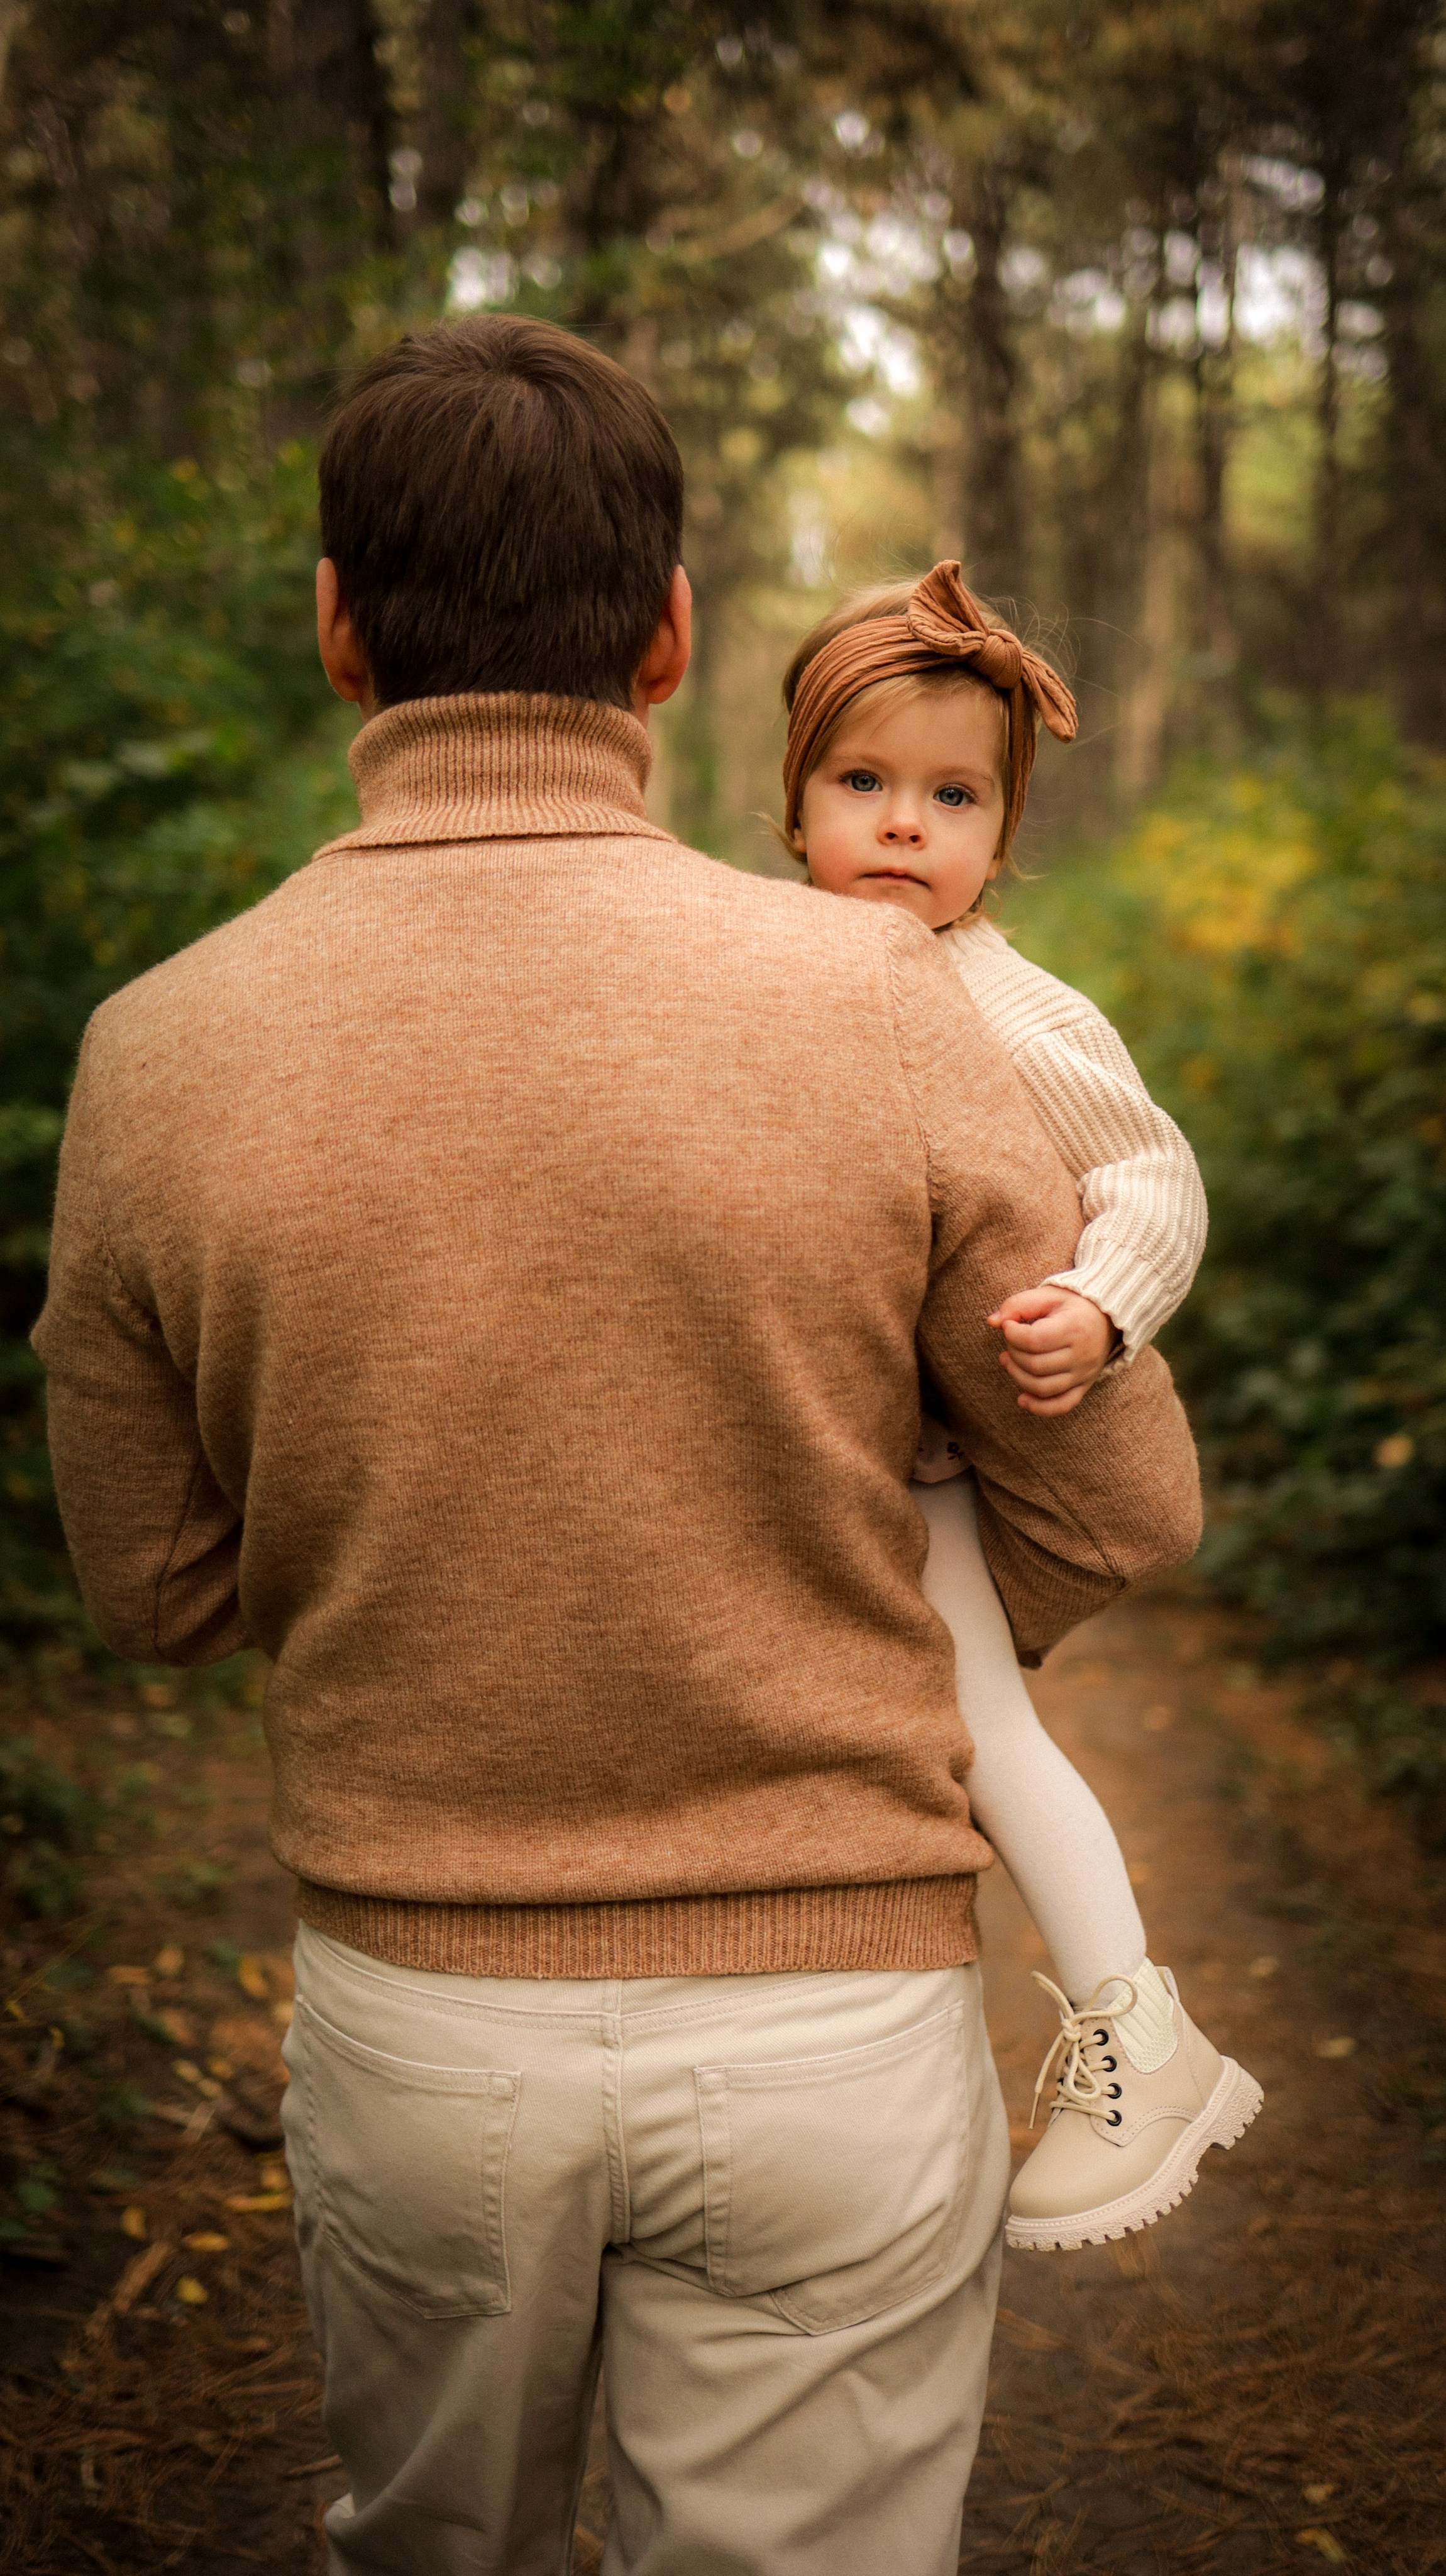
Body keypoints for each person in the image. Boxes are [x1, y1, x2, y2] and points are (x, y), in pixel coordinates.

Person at [33, 317, 1203, 2576]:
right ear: (669, 640)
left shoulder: (155, 1050)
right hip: (835, 2033)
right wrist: (836, 1547)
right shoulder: (879, 1000)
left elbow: (153, 1589)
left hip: (418, 2036)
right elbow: (1122, 1501)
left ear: (336, 625)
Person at [781, 563, 1262, 2255]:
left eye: (952, 796)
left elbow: (1151, 1170)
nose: (903, 827)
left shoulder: (1009, 999)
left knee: (982, 1733)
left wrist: (1099, 1302)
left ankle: (1135, 2018)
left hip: (924, 1459)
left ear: (999, 832)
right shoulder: (766, 967)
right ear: (792, 804)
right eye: (862, 784)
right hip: (796, 1431)